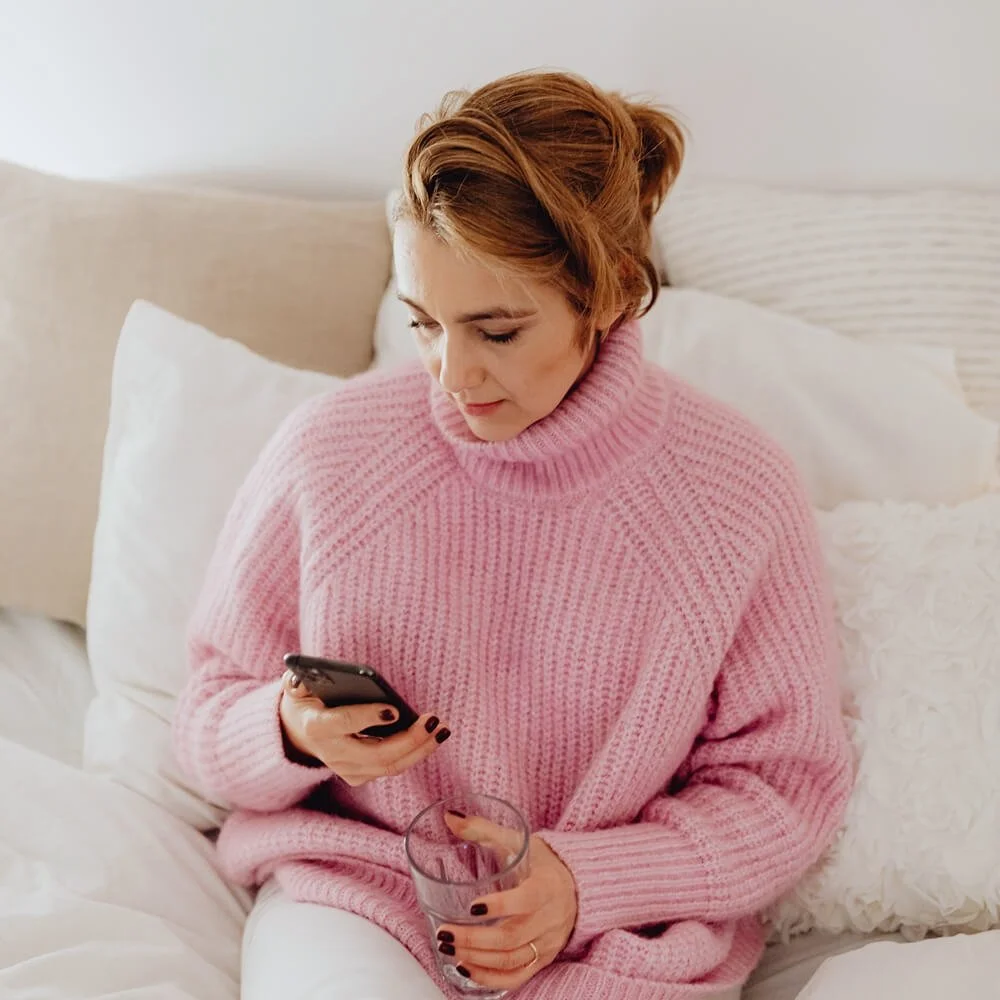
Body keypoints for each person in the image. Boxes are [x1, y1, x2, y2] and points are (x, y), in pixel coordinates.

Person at [172, 69, 852, 1000]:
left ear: (609, 291)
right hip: (365, 900)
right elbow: (205, 712)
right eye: (422, 325)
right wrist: (290, 733)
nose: (451, 375)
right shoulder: (330, 452)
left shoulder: (736, 493)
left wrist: (582, 884)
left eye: (496, 330)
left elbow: (784, 792)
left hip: (618, 937)